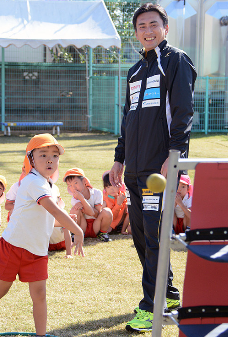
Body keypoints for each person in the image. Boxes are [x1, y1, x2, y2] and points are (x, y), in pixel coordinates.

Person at [109, 3, 197, 332]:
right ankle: (169, 293)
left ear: (165, 28)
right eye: (141, 26)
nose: (147, 30)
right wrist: (120, 158)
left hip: (158, 171)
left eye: (153, 24)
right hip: (133, 169)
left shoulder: (175, 61)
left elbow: (184, 111)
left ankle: (152, 306)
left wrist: (174, 155)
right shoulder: (134, 71)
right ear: (136, 32)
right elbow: (127, 120)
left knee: (156, 238)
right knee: (143, 238)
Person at [0, 133, 84, 337]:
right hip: (13, 246)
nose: (50, 159)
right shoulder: (33, 182)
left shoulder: (50, 185)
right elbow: (55, 211)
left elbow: (49, 218)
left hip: (37, 250)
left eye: (54, 155)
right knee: (0, 289)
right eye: (43, 155)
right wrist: (77, 230)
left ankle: (41, 335)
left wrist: (69, 223)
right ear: (30, 159)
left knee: (40, 294)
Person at [63, 168, 113, 242]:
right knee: (74, 210)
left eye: (75, 183)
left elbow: (95, 214)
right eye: (69, 185)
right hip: (83, 226)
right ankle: (76, 234)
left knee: (107, 211)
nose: (73, 188)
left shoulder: (97, 193)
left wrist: (82, 200)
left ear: (84, 181)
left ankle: (102, 233)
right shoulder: (74, 198)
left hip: (96, 225)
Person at [102, 171, 131, 235]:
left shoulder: (123, 195)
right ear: (105, 189)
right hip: (109, 225)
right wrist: (118, 204)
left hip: (120, 224)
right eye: (108, 187)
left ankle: (122, 230)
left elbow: (128, 213)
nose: (111, 189)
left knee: (130, 209)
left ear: (119, 186)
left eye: (114, 186)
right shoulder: (105, 199)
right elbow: (112, 217)